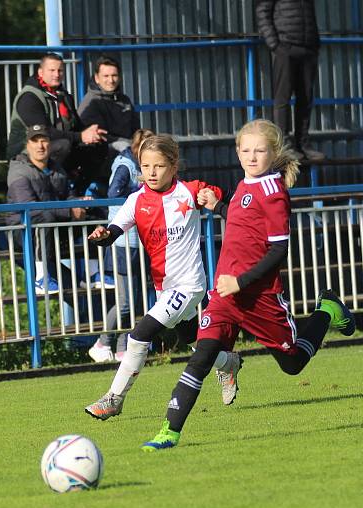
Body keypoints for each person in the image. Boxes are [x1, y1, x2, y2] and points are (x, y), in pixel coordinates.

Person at [141, 119, 355, 451]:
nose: (251, 157)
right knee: (202, 355)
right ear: (237, 150)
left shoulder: (274, 193)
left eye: (260, 150)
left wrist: (240, 281)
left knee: (293, 363)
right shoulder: (244, 184)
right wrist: (219, 206)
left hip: (260, 298)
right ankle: (168, 432)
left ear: (274, 152)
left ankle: (326, 310)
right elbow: (243, 221)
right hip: (225, 297)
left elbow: (278, 249)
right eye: (245, 150)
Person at [83, 134, 238, 421]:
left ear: (174, 166)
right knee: (193, 340)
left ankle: (114, 399)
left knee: (139, 335)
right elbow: (113, 232)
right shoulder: (136, 200)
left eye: (158, 166)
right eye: (145, 166)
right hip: (165, 288)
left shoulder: (191, 191)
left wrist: (218, 201)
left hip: (190, 285)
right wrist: (103, 236)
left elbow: (231, 195)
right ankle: (228, 362)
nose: (151, 173)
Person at [87, 128, 154, 364]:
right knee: (125, 301)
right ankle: (102, 342)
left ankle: (122, 346)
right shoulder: (125, 165)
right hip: (123, 240)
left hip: (137, 240)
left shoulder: (141, 166)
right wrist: (141, 190)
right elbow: (115, 193)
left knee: (133, 299)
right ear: (137, 148)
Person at [6, 124, 87, 295]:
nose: (40, 146)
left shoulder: (57, 167)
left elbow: (68, 195)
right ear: (27, 145)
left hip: (54, 224)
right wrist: (69, 211)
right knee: (44, 218)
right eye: (35, 141)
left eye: (44, 141)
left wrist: (79, 203)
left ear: (50, 144)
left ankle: (94, 275)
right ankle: (41, 278)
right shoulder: (18, 171)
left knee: (93, 213)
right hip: (23, 229)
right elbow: (29, 208)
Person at [6, 53, 107, 181]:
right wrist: (81, 136)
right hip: (26, 152)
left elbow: (76, 126)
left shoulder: (63, 95)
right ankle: (55, 185)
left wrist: (92, 133)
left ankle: (79, 190)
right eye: (52, 70)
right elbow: (45, 132)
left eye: (60, 70)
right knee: (63, 145)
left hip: (59, 144)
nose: (57, 74)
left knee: (98, 145)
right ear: (40, 72)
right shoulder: (29, 97)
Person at [256, 0, 324, 161]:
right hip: (285, 47)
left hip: (308, 47)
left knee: (306, 99)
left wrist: (314, 44)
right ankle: (284, 146)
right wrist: (275, 45)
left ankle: (303, 145)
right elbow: (262, 12)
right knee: (282, 99)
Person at [78, 56, 141, 155]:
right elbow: (100, 136)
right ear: (97, 78)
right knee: (124, 146)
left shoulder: (125, 100)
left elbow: (136, 128)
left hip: (129, 144)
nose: (111, 80)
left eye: (114, 75)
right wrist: (130, 143)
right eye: (106, 76)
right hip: (105, 149)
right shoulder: (91, 102)